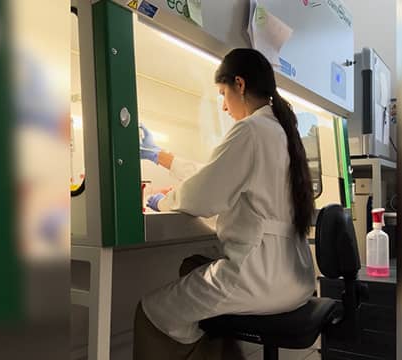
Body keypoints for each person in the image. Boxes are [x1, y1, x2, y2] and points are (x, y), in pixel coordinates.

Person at [133, 48, 316, 360]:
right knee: (191, 266)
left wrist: (163, 200)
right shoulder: (280, 132)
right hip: (294, 279)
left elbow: (203, 195)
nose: (224, 105)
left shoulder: (251, 130)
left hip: (259, 279)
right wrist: (161, 156)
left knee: (149, 311)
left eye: (223, 93)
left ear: (240, 84)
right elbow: (218, 175)